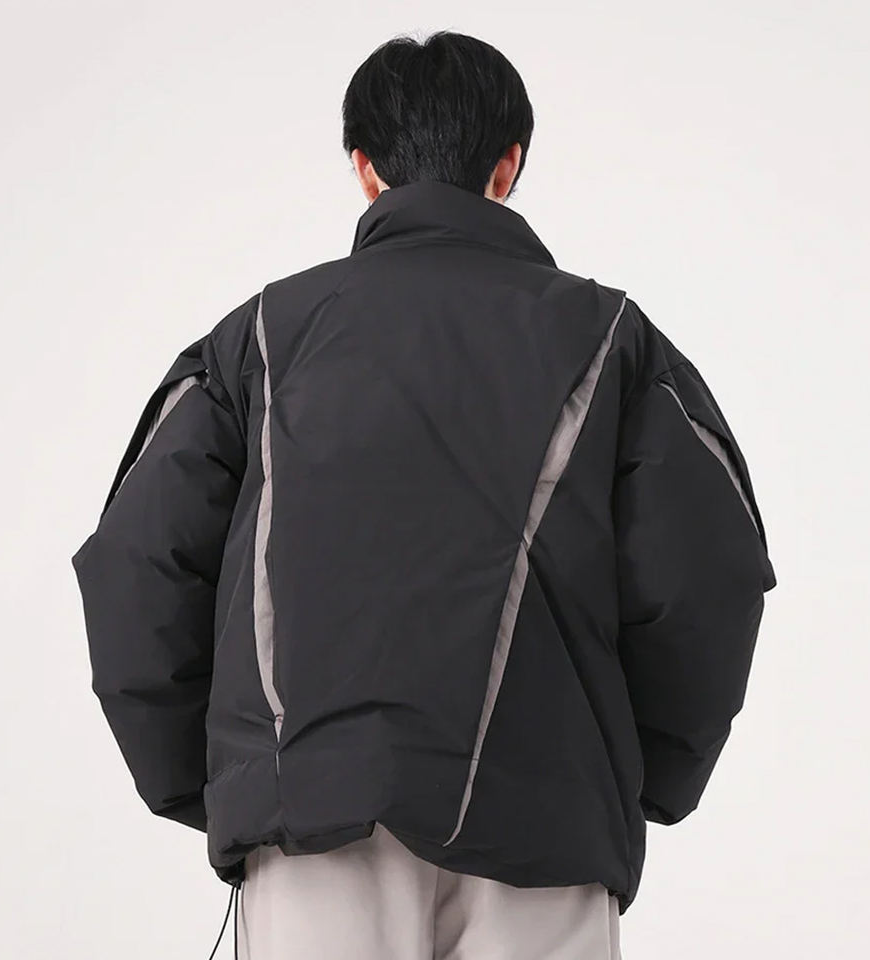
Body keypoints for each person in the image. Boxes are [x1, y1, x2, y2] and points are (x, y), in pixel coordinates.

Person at [72, 30, 776, 960]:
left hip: (310, 818)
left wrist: (225, 783)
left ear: (365, 169)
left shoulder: (260, 338)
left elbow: (140, 565)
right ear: (507, 165)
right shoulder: (612, 338)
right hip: (549, 821)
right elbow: (707, 576)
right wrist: (636, 777)